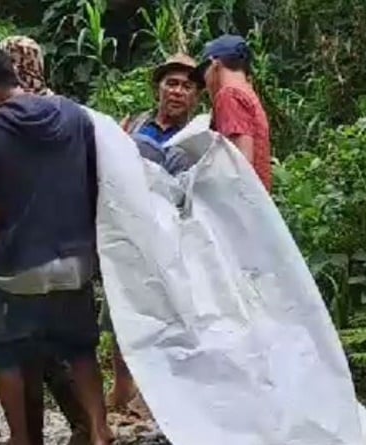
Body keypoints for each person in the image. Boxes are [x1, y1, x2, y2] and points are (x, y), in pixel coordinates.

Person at [0, 43, 112, 445]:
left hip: (21, 263)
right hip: (76, 259)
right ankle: (99, 432)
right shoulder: (76, 115)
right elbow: (97, 181)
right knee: (80, 350)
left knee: (5, 352)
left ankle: (22, 439)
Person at [0, 35, 91, 445]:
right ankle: (87, 424)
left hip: (23, 245)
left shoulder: (7, 116)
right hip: (71, 243)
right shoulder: (67, 110)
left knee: (22, 347)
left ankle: (32, 434)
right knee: (64, 343)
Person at [104, 53, 202, 414]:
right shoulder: (134, 126)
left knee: (168, 310)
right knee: (120, 306)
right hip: (128, 231)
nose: (177, 92)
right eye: (171, 83)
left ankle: (156, 393)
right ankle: (122, 387)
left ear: (196, 97)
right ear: (158, 88)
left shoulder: (198, 136)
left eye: (187, 86)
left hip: (174, 235)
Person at [192, 34, 272, 191]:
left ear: (215, 65)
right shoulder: (248, 93)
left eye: (204, 74)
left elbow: (241, 163)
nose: (206, 83)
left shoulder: (228, 95)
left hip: (244, 204)